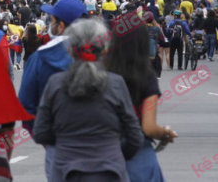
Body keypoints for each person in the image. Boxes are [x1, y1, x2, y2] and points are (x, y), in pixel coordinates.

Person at [34, 19, 144, 182]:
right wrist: (115, 152)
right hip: (110, 170)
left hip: (65, 169)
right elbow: (135, 135)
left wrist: (65, 142)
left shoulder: (55, 84)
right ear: (105, 51)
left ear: (70, 51)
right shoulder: (116, 84)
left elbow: (40, 132)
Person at [19, 0, 87, 181]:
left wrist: (45, 138)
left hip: (59, 145)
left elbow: (25, 105)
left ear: (61, 26)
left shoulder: (39, 58)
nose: (50, 23)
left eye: (53, 20)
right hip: (100, 146)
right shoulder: (101, 55)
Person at [106, 23, 177, 182]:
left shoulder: (102, 72)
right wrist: (165, 133)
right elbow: (149, 127)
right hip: (138, 151)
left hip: (104, 148)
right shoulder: (146, 76)